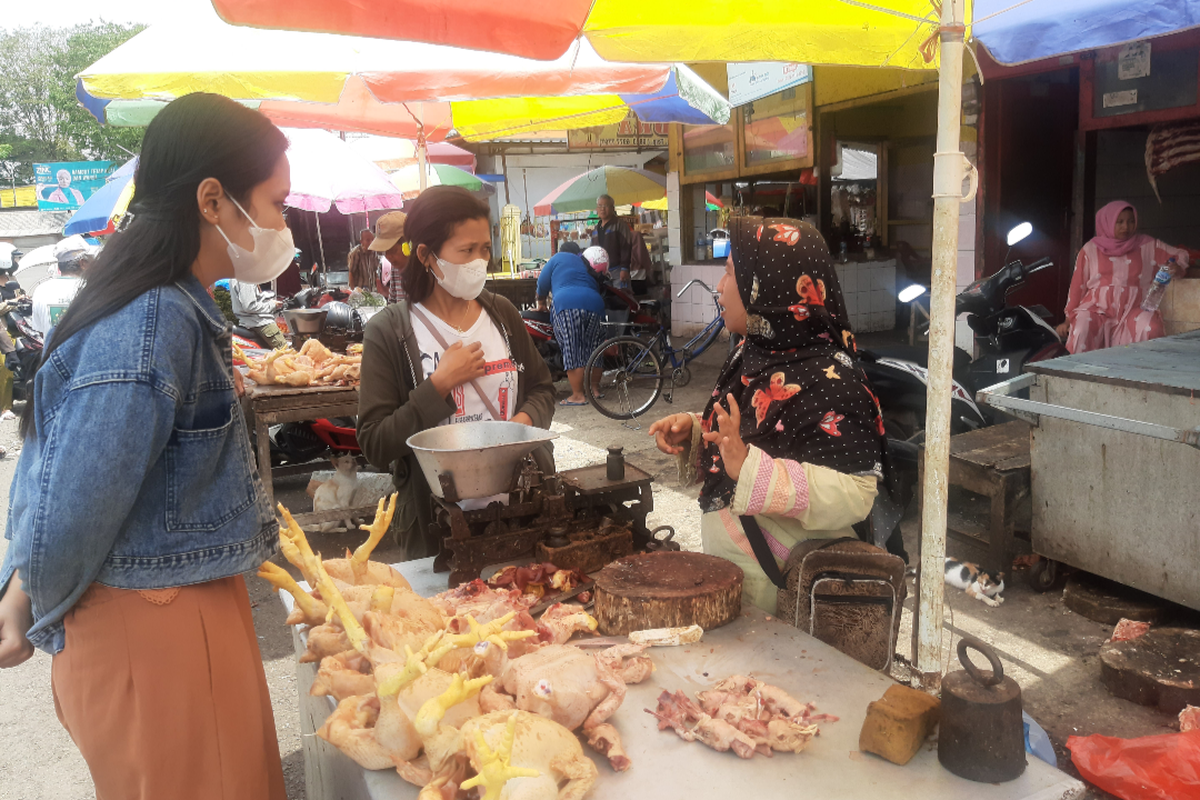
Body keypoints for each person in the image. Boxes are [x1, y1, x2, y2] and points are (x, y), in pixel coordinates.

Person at [0, 93, 289, 800]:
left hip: (170, 609)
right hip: (154, 627)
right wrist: (27, 598)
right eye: (277, 203)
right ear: (213, 200)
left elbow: (49, 465)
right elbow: (74, 500)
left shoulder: (164, 303)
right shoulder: (154, 317)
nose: (284, 224)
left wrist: (18, 584)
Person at [648, 217, 886, 613]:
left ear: (769, 287)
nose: (720, 289)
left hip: (788, 606)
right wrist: (697, 430)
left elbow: (856, 495)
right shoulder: (755, 353)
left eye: (729, 275)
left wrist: (752, 470)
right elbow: (756, 431)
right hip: (741, 578)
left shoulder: (833, 382)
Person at [357, 187, 556, 560]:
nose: (479, 261)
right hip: (438, 529)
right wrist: (439, 384)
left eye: (484, 248)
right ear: (426, 256)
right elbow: (375, 444)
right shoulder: (390, 331)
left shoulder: (502, 314)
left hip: (523, 509)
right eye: (466, 251)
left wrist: (519, 427)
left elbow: (543, 389)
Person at [1056, 201, 1190, 354]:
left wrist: (1176, 266)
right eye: (1119, 222)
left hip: (1136, 308)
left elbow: (1181, 255)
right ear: (1107, 222)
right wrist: (1068, 319)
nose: (1126, 227)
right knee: (1082, 328)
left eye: (1131, 221)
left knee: (1150, 328)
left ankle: (1143, 375)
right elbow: (1077, 287)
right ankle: (1078, 374)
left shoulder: (1148, 245)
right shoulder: (1090, 249)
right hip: (1096, 310)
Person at [536, 241, 605, 405]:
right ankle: (594, 390)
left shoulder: (557, 258)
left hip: (568, 304)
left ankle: (578, 395)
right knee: (594, 349)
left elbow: (542, 282)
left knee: (572, 349)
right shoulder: (584, 262)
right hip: (595, 304)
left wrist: (541, 303)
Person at [30, 247, 88, 335]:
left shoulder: (41, 289)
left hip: (52, 348)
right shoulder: (91, 287)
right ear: (83, 263)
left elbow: (40, 330)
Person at [591, 194, 634, 290]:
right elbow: (593, 251)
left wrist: (625, 268)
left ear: (612, 208)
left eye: (605, 206)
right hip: (602, 273)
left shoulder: (620, 225)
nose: (602, 209)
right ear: (597, 209)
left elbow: (626, 247)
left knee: (623, 299)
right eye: (600, 206)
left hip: (618, 270)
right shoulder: (596, 229)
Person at [230, 278, 287, 348]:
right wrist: (272, 304)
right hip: (260, 322)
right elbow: (250, 306)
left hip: (249, 322)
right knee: (286, 352)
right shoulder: (246, 278)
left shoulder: (236, 276)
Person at [368, 211, 409, 303]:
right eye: (385, 252)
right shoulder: (395, 269)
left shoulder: (425, 273)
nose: (389, 257)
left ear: (409, 245)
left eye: (394, 251)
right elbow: (392, 303)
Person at [347, 227, 383, 293]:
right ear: (361, 242)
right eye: (368, 240)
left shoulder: (374, 252)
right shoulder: (355, 253)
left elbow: (375, 272)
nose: (371, 242)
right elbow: (351, 273)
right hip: (359, 291)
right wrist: (352, 292)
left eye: (373, 239)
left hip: (371, 290)